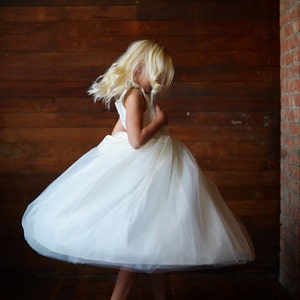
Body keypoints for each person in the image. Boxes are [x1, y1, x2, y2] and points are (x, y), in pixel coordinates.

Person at [22, 40, 255, 300]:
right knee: (138, 247)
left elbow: (118, 130)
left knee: (156, 243)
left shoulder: (143, 94)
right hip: (146, 169)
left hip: (156, 170)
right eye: (160, 73)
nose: (163, 80)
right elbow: (135, 141)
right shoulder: (134, 95)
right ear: (141, 68)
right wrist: (160, 122)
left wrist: (116, 145)